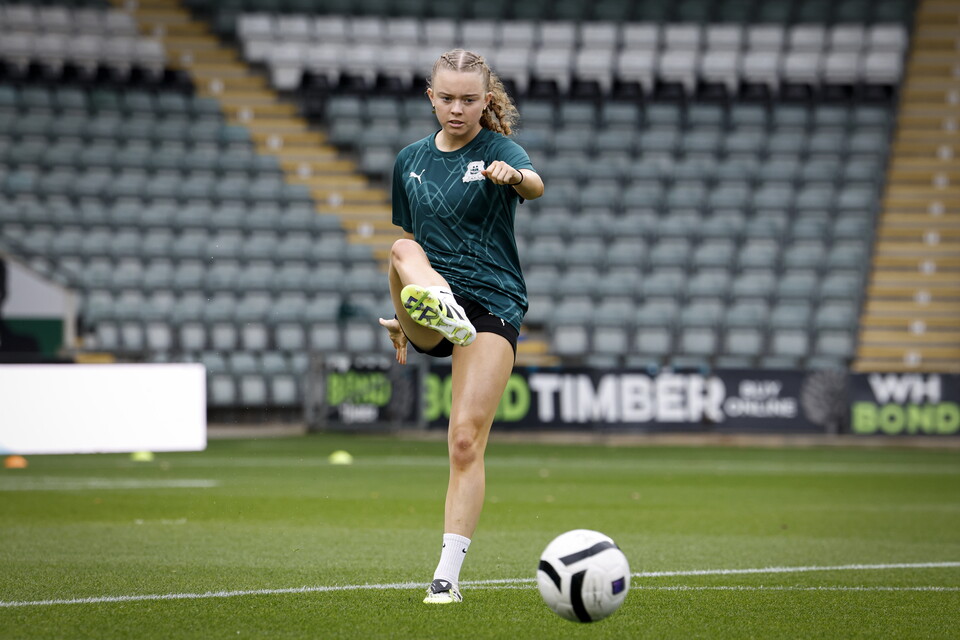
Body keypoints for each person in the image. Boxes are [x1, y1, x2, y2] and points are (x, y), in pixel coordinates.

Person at [377, 49, 544, 605]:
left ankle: (446, 576)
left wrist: (514, 175)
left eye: (469, 99)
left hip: (492, 302)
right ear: (431, 97)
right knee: (401, 246)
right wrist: (405, 315)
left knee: (466, 440)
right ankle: (434, 302)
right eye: (446, 98)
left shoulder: (498, 149)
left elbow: (535, 184)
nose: (456, 108)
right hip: (433, 304)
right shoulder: (409, 161)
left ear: (486, 101)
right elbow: (410, 249)